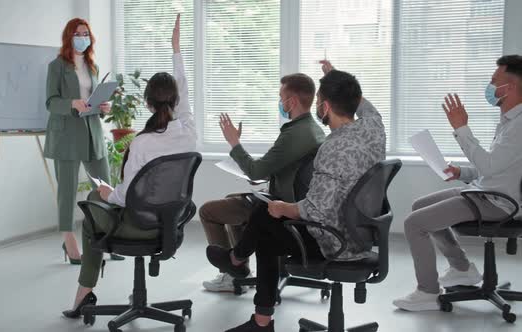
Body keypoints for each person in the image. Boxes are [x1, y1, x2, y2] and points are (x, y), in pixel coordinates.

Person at [207, 61, 386, 331]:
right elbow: (363, 104)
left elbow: (314, 211)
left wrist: (282, 208)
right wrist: (336, 79)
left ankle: (253, 300)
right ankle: (250, 293)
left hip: (337, 243)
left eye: (320, 102)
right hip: (364, 235)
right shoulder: (375, 128)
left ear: (325, 107)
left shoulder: (332, 147)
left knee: (265, 218)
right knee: (265, 223)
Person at [62, 14, 197, 318]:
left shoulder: (142, 143)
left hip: (138, 225)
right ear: (176, 101)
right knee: (103, 200)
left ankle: (84, 292)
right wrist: (176, 48)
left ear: (147, 104)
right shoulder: (189, 130)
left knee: (92, 210)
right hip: (170, 222)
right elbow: (184, 87)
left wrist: (108, 191)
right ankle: (90, 292)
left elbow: (125, 198)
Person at [393, 55, 522, 312]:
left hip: (499, 203)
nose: (490, 86)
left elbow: (489, 167)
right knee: (420, 205)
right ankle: (462, 268)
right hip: (487, 192)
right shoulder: (510, 121)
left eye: (494, 81)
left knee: (414, 223)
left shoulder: (520, 125)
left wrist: (462, 128)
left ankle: (428, 292)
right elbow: (496, 168)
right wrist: (461, 171)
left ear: (512, 87)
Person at [200, 73, 326, 293]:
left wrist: (234, 142)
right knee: (233, 199)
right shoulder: (313, 129)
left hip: (282, 205)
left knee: (209, 211)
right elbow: (289, 169)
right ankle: (241, 267)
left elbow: (256, 171)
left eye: (281, 97)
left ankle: (232, 273)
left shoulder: (295, 133)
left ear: (292, 101)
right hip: (293, 198)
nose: (280, 102)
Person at [44, 18, 123, 264]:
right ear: (69, 36)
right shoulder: (56, 66)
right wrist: (71, 103)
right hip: (66, 135)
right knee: (66, 193)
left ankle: (109, 237)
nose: (83, 37)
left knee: (105, 188)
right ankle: (69, 241)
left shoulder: (93, 66)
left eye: (86, 33)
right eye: (78, 33)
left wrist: (104, 107)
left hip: (92, 133)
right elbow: (51, 102)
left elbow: (93, 101)